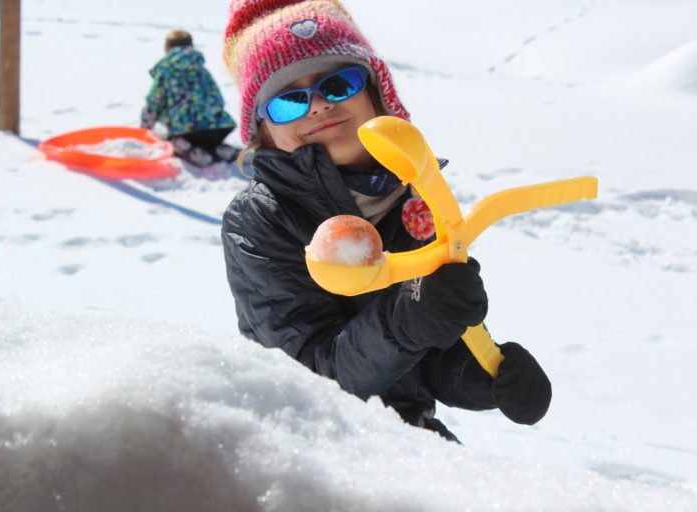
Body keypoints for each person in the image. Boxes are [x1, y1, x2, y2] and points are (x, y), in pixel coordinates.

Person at [220, 0, 551, 442]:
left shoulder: (417, 198)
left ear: (378, 94)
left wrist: (487, 377)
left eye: (338, 84)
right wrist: (407, 319)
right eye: (288, 101)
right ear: (264, 129)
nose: (317, 106)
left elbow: (429, 358)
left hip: (403, 439)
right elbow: (309, 376)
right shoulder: (261, 219)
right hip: (305, 446)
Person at [141, 29, 238, 167]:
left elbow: (154, 102)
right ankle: (218, 149)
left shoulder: (166, 70)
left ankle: (189, 149)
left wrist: (145, 128)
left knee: (175, 134)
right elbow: (218, 98)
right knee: (208, 134)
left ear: (167, 49)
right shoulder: (202, 70)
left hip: (186, 131)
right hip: (218, 128)